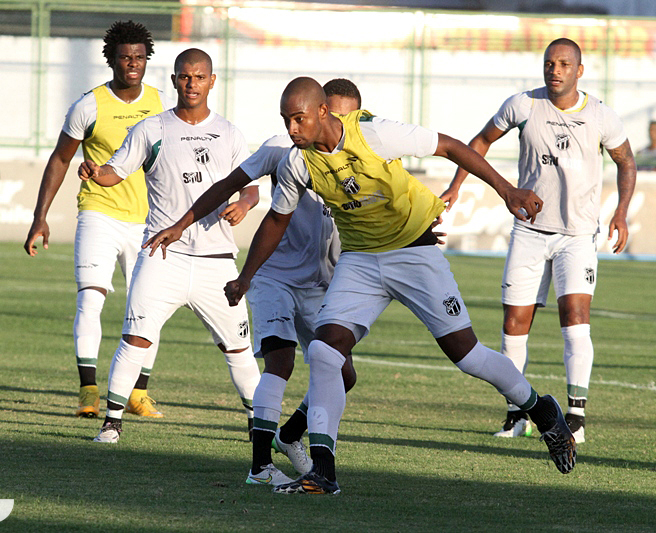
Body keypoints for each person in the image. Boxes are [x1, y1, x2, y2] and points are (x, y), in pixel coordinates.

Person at [222, 77, 577, 494]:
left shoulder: (373, 132)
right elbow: (277, 219)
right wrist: (246, 277)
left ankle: (544, 411)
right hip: (360, 261)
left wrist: (507, 190)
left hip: (413, 252)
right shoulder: (298, 162)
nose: (291, 130)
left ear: (323, 112)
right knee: (323, 351)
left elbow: (449, 145)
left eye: (298, 119)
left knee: (467, 355)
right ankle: (323, 472)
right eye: (286, 121)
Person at [144, 79, 373, 487]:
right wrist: (181, 225)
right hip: (275, 276)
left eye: (348, 115)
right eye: (333, 112)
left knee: (343, 374)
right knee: (280, 361)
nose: (340, 121)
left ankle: (289, 435)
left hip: (322, 282)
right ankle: (259, 466)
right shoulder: (281, 148)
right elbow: (227, 185)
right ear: (320, 109)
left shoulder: (364, 150)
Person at [441, 38, 636, 445]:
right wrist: (456, 186)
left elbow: (626, 161)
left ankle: (576, 418)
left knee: (575, 322)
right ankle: (516, 413)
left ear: (579, 71)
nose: (555, 70)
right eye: (550, 63)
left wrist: (620, 211)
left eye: (565, 64)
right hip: (529, 231)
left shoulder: (601, 115)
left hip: (578, 236)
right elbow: (479, 143)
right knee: (514, 325)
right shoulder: (523, 105)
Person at [78, 48, 262, 444]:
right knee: (135, 339)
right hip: (164, 254)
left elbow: (251, 188)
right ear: (175, 79)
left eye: (199, 77)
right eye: (184, 76)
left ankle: (258, 424)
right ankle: (112, 422)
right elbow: (115, 171)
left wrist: (244, 205)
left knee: (239, 349)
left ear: (212, 81)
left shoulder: (229, 133)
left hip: (217, 261)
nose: (191, 83)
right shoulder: (152, 128)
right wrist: (95, 173)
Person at [23, 21, 170, 419]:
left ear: (146, 59)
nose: (133, 64)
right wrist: (41, 217)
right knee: (91, 299)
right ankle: (88, 390)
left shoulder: (162, 104)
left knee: (148, 307)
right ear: (111, 60)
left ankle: (138, 393)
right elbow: (60, 158)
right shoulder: (88, 105)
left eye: (139, 57)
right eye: (125, 57)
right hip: (99, 214)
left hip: (149, 222)